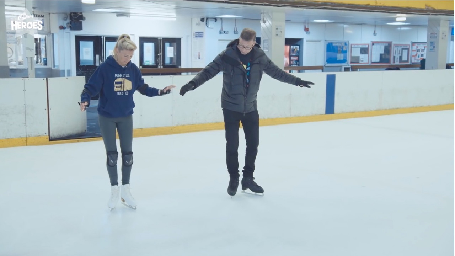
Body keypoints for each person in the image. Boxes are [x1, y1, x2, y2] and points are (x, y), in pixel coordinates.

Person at [179, 28, 314, 196]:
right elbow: (208, 71)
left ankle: (248, 179)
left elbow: (277, 72)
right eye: (241, 46)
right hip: (230, 107)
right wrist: (192, 84)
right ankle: (233, 178)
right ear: (239, 41)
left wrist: (297, 81)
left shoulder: (259, 57)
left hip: (250, 107)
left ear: (253, 43)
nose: (243, 49)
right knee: (232, 146)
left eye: (247, 47)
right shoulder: (227, 56)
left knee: (253, 145)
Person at [79, 34, 175, 210]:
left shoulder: (132, 69)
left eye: (131, 56)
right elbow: (90, 88)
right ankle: (114, 190)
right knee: (112, 155)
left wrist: (161, 91)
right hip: (107, 116)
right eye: (125, 56)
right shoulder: (104, 68)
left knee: (128, 156)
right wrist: (85, 100)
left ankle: (126, 190)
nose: (128, 59)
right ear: (117, 51)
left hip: (125, 116)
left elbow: (143, 88)